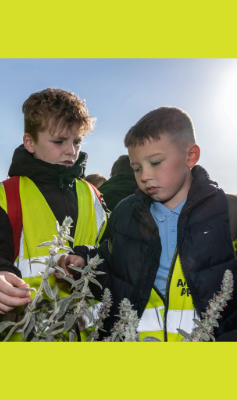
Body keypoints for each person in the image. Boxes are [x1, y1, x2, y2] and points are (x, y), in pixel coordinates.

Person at [58, 106, 237, 341]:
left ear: (191, 156)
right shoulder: (124, 212)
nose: (144, 176)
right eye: (137, 168)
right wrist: (85, 262)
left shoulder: (229, 212)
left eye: (155, 162)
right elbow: (112, 267)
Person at [0, 88, 106, 339]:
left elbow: (111, 253)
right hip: (26, 335)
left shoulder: (94, 195)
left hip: (89, 335)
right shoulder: (2, 196)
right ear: (30, 142)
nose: (71, 151)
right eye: (59, 141)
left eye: (77, 141)